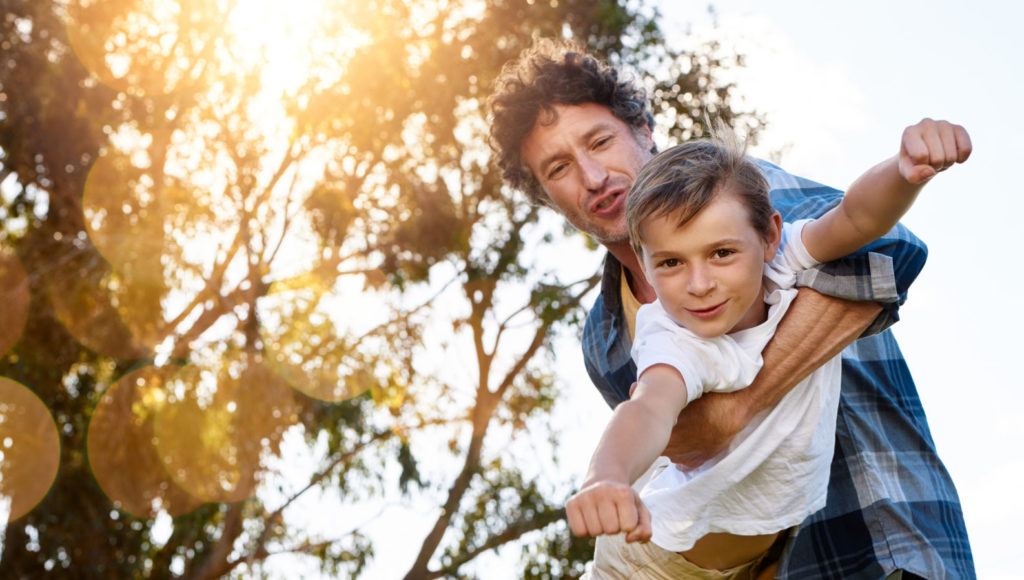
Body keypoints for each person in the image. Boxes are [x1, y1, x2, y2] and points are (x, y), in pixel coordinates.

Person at [487, 39, 976, 579]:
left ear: (643, 131)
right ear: (545, 194)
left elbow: (883, 245)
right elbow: (657, 429)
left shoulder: (731, 192)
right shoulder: (607, 341)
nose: (593, 177)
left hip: (882, 536)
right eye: (558, 168)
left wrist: (904, 169)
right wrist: (606, 477)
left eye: (600, 141)